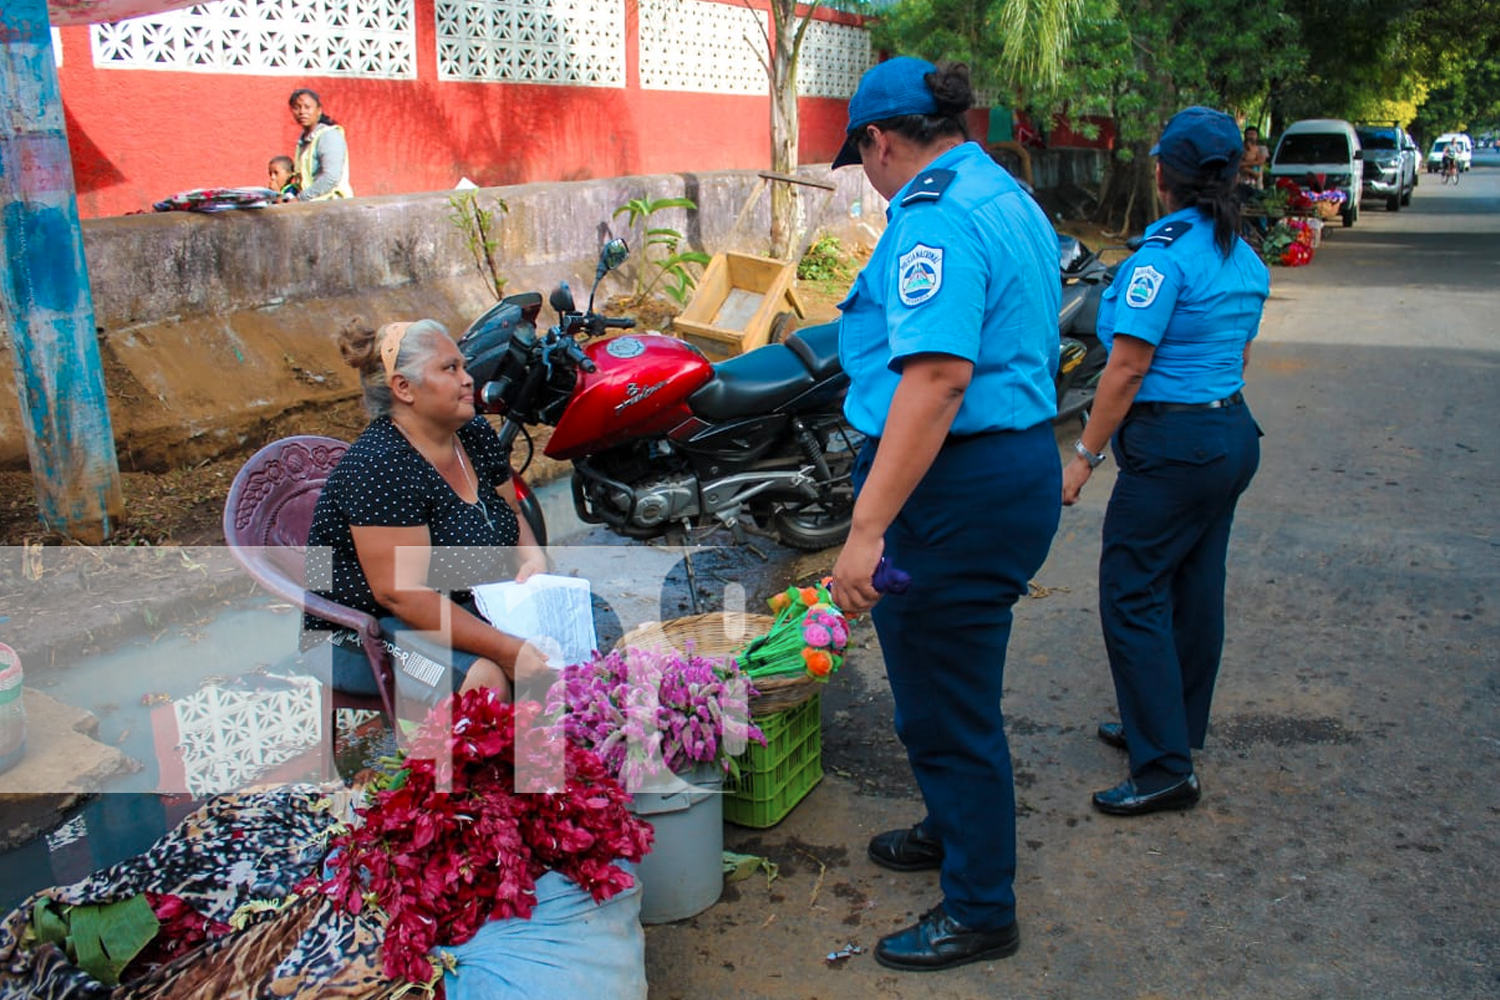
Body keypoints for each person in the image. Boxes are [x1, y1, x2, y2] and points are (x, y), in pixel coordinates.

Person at [826, 57, 1062, 972]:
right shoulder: (999, 190)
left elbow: (936, 379)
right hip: (1006, 467)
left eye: (865, 158)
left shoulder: (936, 217)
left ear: (882, 141)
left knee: (950, 705)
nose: (870, 175)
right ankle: (950, 826)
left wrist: (865, 531)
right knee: (938, 687)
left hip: (957, 484)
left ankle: (980, 908)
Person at [1062, 106, 1268, 818]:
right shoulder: (1241, 252)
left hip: (1176, 448)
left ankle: (1164, 768)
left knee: (1132, 591)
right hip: (1230, 434)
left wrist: (1084, 456)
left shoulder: (1162, 258)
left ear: (1163, 176)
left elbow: (1124, 370)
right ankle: (1170, 726)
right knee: (1193, 583)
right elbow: (1238, 354)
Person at [301, 318, 551, 704]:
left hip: (449, 600)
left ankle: (543, 753)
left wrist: (534, 562)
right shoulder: (381, 466)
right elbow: (402, 595)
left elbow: (511, 512)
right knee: (484, 683)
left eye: (463, 366)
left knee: (559, 645)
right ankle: (449, 763)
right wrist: (507, 649)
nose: (467, 379)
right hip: (356, 630)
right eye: (450, 369)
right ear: (404, 388)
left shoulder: (472, 433)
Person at [286, 88, 353, 202]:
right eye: (297, 108)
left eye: (307, 107)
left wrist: (300, 198)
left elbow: (331, 178)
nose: (302, 112)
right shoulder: (304, 140)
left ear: (319, 110)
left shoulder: (329, 136)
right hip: (312, 205)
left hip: (332, 205)